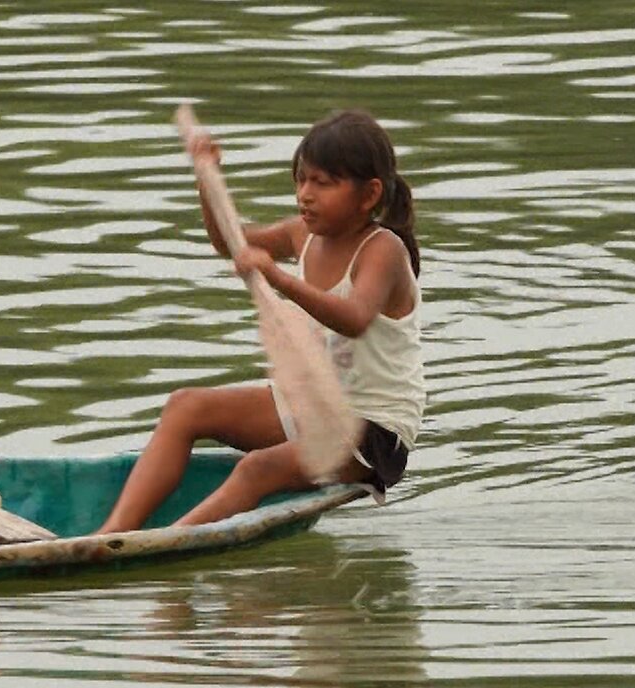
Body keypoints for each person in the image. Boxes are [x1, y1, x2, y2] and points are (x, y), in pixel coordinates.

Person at [95, 109, 425, 534]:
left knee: (258, 468)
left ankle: (167, 542)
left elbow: (355, 319)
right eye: (301, 180)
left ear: (368, 195)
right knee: (186, 406)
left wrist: (276, 275)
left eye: (323, 183)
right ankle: (113, 535)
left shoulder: (384, 250)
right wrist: (206, 180)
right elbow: (229, 241)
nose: (305, 194)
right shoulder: (301, 234)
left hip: (372, 428)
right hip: (313, 404)